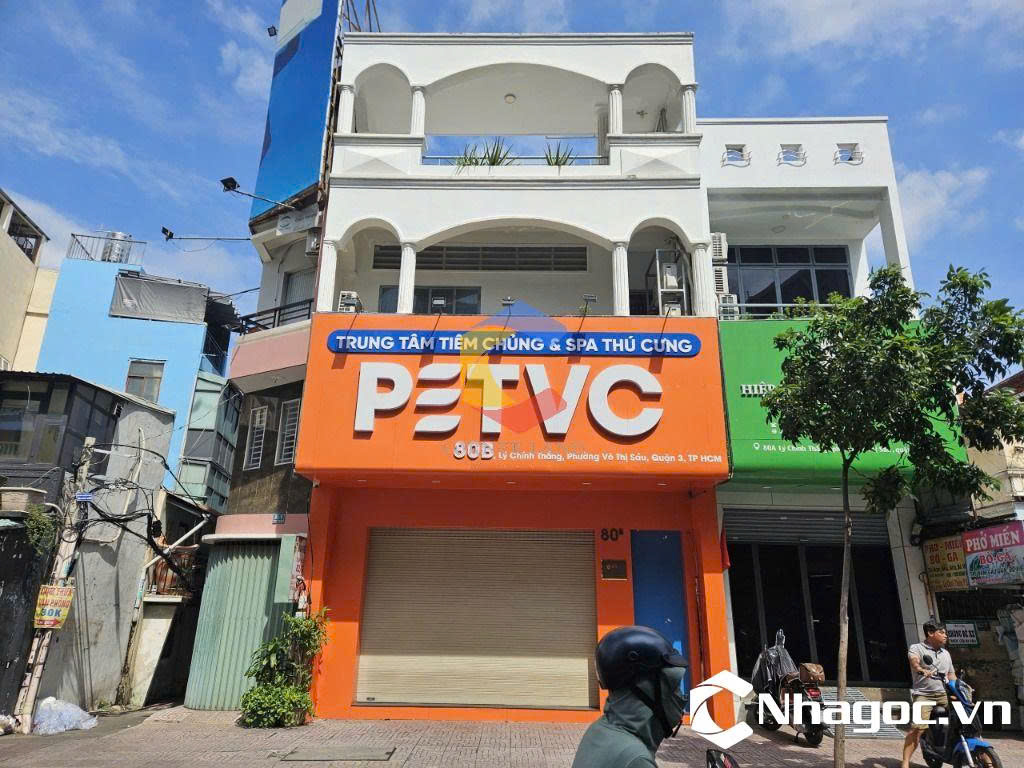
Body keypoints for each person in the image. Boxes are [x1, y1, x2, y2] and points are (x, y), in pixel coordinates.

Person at [572, 626, 688, 768]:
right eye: (672, 685)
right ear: (645, 690)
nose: (680, 696)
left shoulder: (599, 730)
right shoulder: (635, 760)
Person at [902, 620, 956, 768]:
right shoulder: (917, 648)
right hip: (924, 695)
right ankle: (905, 762)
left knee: (966, 720)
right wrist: (921, 670)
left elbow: (951, 675)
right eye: (942, 632)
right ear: (931, 633)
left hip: (944, 694)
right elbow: (914, 662)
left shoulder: (946, 653)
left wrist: (960, 689)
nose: (945, 635)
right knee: (917, 729)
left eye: (945, 632)